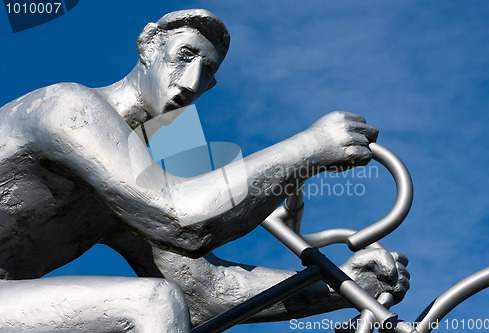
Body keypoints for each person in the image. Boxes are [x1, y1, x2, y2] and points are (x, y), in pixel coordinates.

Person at [0, 9, 409, 331]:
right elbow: (178, 216)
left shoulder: (123, 182)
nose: (193, 82)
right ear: (148, 46)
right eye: (185, 56)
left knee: (163, 301)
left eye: (207, 71)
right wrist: (310, 148)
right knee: (153, 303)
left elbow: (205, 292)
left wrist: (344, 287)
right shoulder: (67, 107)